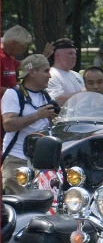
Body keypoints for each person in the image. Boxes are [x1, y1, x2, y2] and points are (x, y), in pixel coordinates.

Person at [1, 54, 58, 194]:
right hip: (18, 161)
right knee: (22, 208)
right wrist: (38, 115)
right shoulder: (13, 94)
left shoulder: (45, 95)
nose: (49, 76)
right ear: (32, 72)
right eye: (46, 71)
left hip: (42, 162)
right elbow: (8, 124)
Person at [1, 26, 53, 96]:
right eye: (23, 47)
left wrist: (42, 57)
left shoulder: (9, 57)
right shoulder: (2, 57)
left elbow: (23, 66)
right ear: (14, 44)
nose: (23, 51)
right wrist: (16, 91)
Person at [46, 38, 85, 106]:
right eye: (70, 54)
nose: (74, 57)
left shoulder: (77, 75)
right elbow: (57, 101)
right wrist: (83, 93)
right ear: (58, 55)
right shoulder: (51, 75)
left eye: (75, 54)